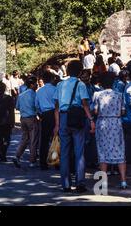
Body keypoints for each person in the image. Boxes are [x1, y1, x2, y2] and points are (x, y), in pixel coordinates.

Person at [54, 60, 95, 193]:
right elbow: (84, 104)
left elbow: (56, 107)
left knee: (64, 152)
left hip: (63, 117)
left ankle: (65, 184)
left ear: (67, 70)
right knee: (79, 152)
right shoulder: (81, 84)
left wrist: (57, 124)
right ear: (79, 72)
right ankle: (80, 183)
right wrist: (91, 119)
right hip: (77, 118)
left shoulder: (60, 84)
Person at [93, 72, 128, 189]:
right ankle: (123, 181)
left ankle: (103, 182)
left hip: (102, 123)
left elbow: (96, 111)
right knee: (119, 149)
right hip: (116, 123)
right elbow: (123, 111)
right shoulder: (119, 95)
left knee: (102, 151)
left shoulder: (97, 94)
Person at [13, 76, 39, 168]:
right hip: (32, 118)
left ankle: (17, 156)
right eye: (36, 84)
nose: (37, 85)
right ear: (32, 85)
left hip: (23, 118)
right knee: (33, 139)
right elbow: (37, 107)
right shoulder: (34, 94)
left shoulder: (21, 95)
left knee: (24, 138)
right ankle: (32, 160)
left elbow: (17, 107)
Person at [35, 71, 57, 170]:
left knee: (44, 140)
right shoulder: (56, 89)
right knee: (55, 138)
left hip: (45, 115)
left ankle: (43, 163)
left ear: (43, 80)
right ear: (52, 79)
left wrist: (40, 114)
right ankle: (55, 161)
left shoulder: (39, 91)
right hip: (55, 113)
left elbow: (36, 105)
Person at [0, 82, 15, 163]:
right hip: (7, 121)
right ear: (5, 88)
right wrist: (13, 121)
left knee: (0, 139)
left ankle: (2, 155)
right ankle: (3, 153)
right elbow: (12, 111)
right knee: (7, 139)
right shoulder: (9, 98)